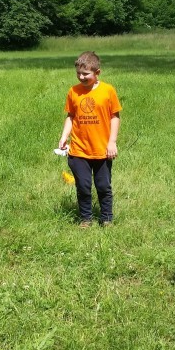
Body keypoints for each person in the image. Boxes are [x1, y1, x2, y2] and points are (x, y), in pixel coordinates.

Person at [57, 51, 122, 227]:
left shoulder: (108, 91)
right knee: (83, 186)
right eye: (78, 73)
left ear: (97, 72)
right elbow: (71, 116)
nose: (81, 77)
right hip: (79, 149)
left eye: (85, 74)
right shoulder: (73, 91)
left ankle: (106, 218)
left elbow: (115, 117)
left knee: (103, 186)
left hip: (102, 149)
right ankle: (86, 219)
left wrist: (112, 142)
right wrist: (64, 136)